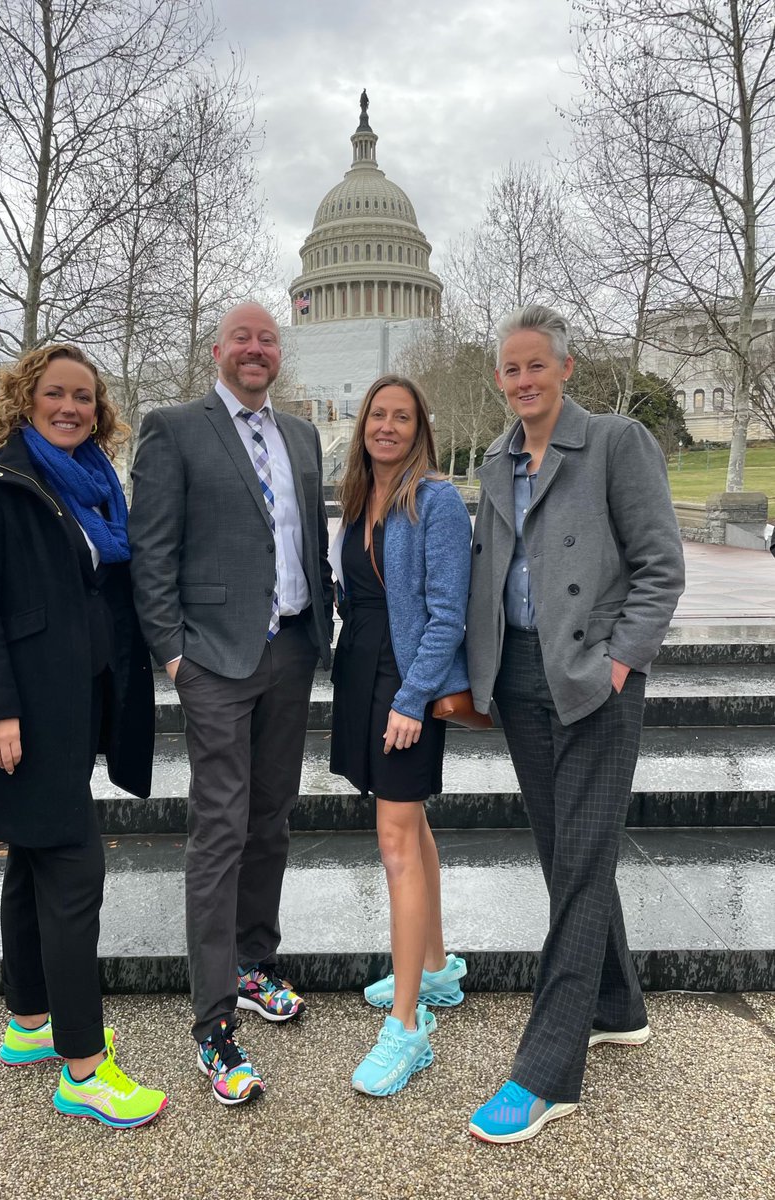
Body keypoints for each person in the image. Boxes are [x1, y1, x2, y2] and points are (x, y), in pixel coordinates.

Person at [465, 304, 685, 1143]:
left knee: (583, 862)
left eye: (536, 366)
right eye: (511, 370)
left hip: (594, 678)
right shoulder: (493, 457)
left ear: (566, 370)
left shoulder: (617, 442)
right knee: (566, 852)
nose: (524, 381)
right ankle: (618, 1005)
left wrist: (622, 661)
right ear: (500, 380)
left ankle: (547, 1074)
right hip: (520, 676)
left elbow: (661, 566)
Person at [0, 344, 166, 1129]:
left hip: (85, 699)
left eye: (84, 397)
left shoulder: (98, 486)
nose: (70, 406)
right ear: (24, 397)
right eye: (55, 394)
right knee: (75, 875)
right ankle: (82, 1069)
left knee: (32, 859)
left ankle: (30, 1022)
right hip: (29, 710)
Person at [129, 302, 332, 1106]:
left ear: (280, 352)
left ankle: (253, 964)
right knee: (219, 828)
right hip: (211, 659)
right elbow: (153, 551)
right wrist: (174, 655)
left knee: (271, 818)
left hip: (290, 650)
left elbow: (308, 537)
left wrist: (320, 628)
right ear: (218, 351)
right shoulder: (174, 427)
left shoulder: (303, 435)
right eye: (242, 338)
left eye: (267, 339)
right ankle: (213, 1026)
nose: (256, 349)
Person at [328, 374, 471, 1097]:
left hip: (405, 680)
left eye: (402, 417)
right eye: (378, 415)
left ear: (420, 429)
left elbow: (449, 613)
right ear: (363, 426)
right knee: (409, 829)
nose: (388, 426)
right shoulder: (360, 498)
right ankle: (438, 968)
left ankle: (408, 1029)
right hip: (362, 671)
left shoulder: (436, 500)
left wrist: (412, 699)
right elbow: (353, 593)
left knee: (393, 842)